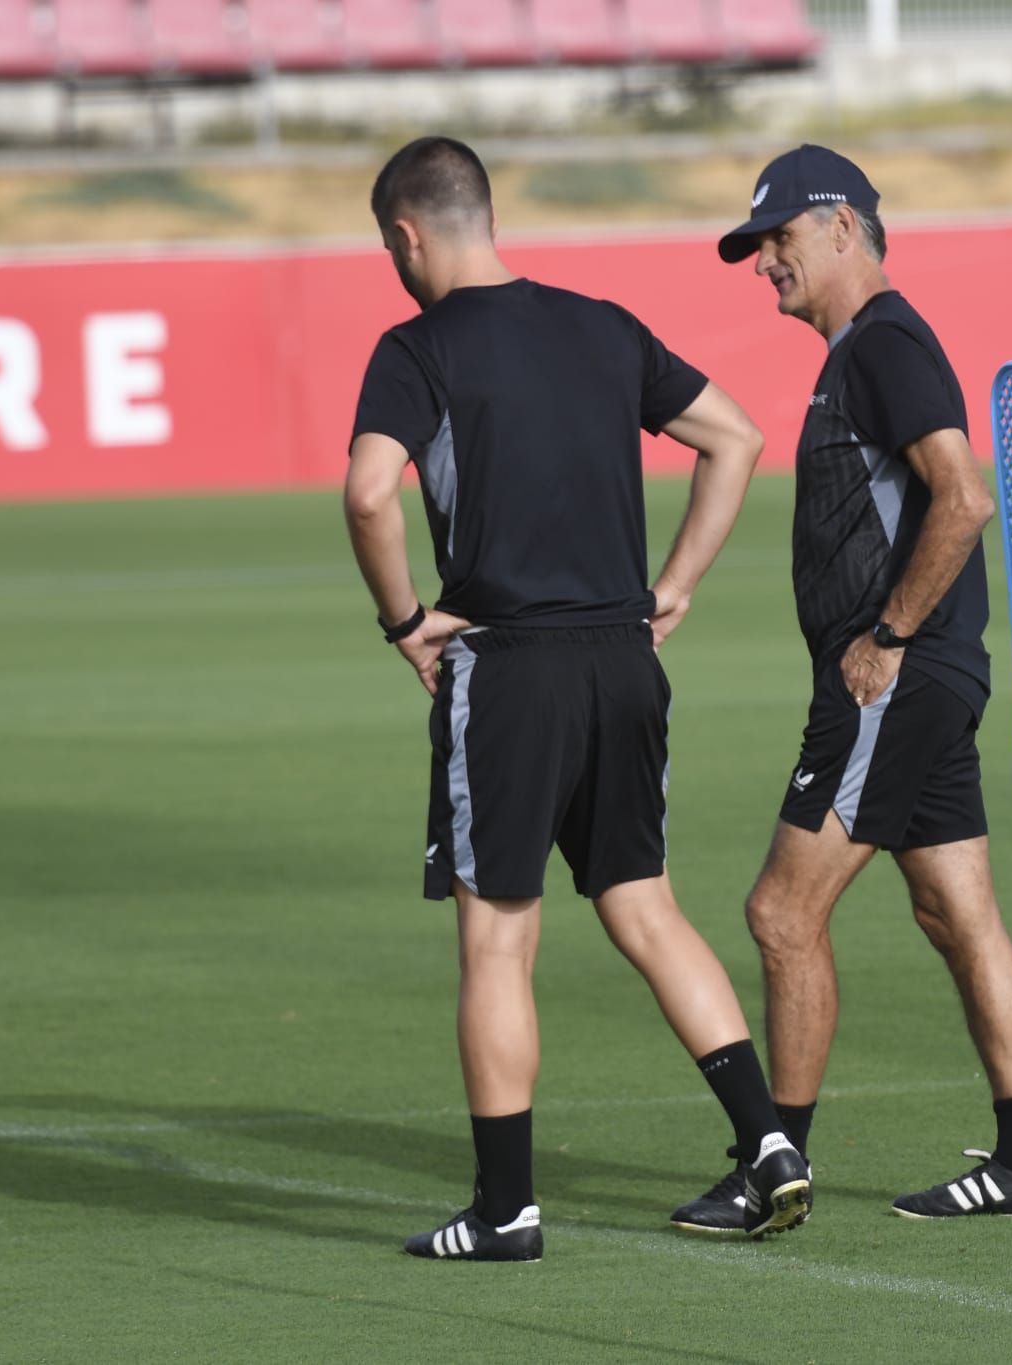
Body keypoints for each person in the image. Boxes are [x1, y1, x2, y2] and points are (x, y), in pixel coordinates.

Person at [343, 135, 810, 1262]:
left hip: (506, 669)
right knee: (644, 905)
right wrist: (674, 589)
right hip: (621, 661)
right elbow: (736, 439)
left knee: (497, 943)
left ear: (407, 237)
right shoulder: (602, 325)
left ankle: (506, 1208)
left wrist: (406, 624)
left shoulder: (416, 347)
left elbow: (367, 496)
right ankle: (768, 1145)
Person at [671, 145, 1012, 1231]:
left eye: (777, 241)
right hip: (922, 678)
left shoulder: (884, 341)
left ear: (842, 227)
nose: (763, 265)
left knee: (779, 912)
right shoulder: (862, 351)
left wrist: (887, 635)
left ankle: (773, 1161)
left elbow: (963, 499)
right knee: (954, 909)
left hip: (894, 677)